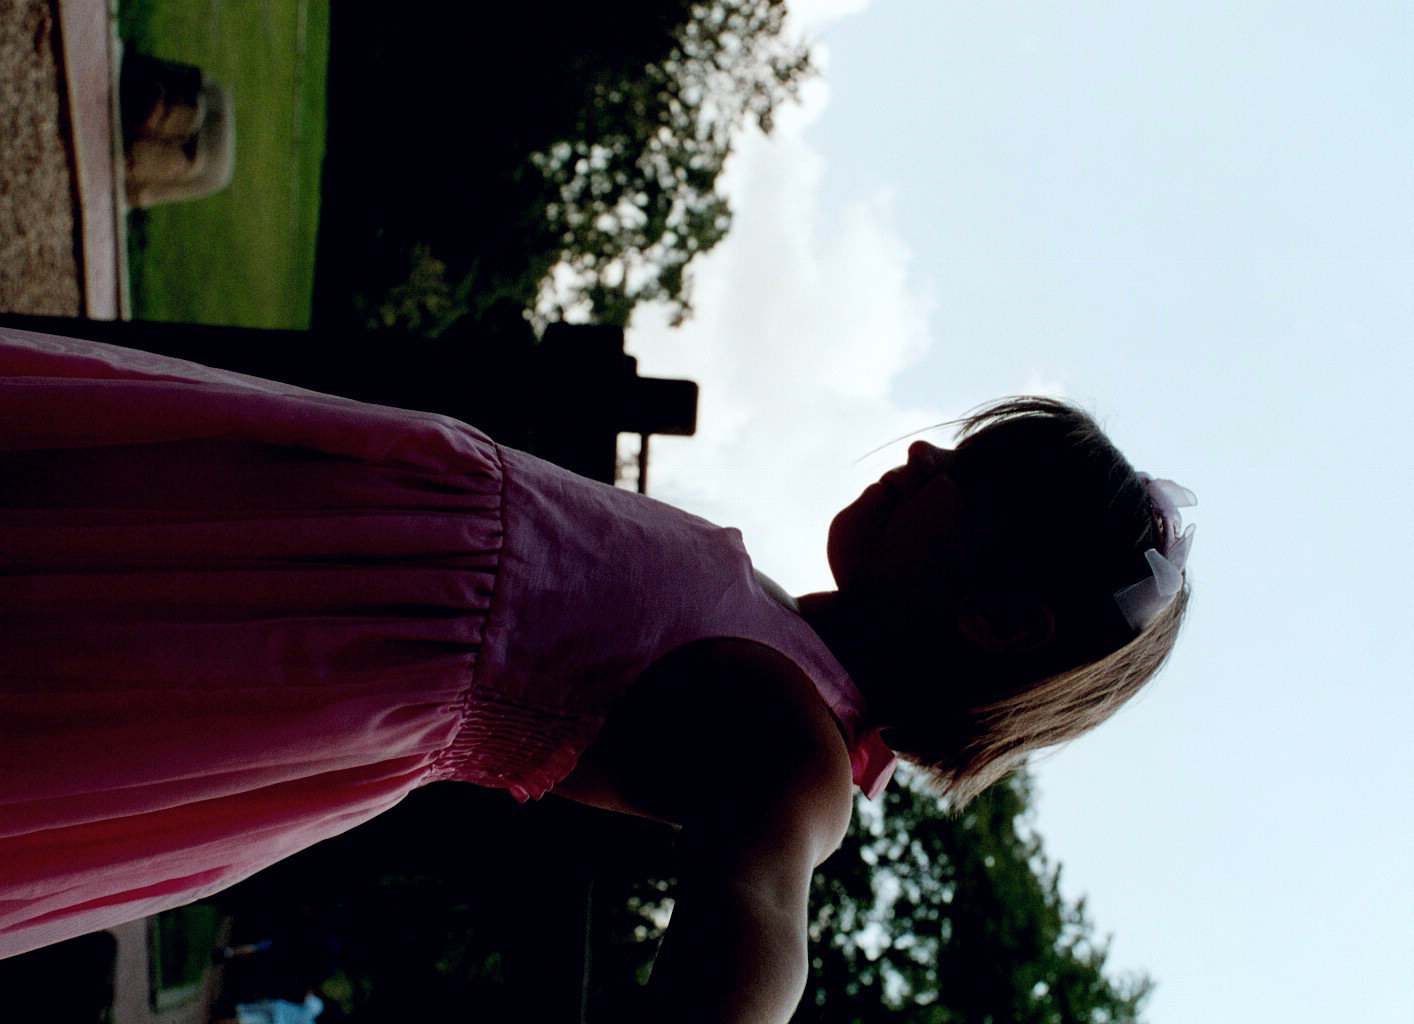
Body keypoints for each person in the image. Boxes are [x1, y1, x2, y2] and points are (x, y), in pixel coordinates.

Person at [0, 326, 1194, 1022]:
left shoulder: (795, 742)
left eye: (966, 477)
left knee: (64, 639)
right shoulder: (783, 638)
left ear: (995, 618)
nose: (926, 453)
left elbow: (758, 927)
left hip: (305, 637)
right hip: (323, 537)